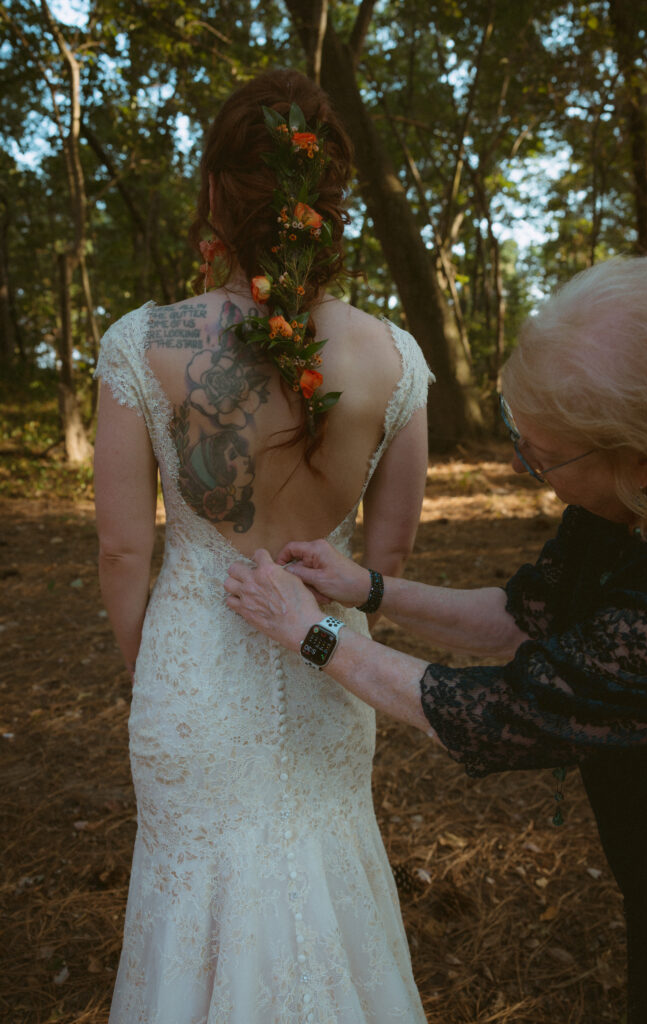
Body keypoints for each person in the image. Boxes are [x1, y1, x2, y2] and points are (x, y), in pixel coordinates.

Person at [225, 256, 647, 1024]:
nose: (517, 462)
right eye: (518, 436)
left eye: (542, 456)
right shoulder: (625, 504)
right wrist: (367, 588)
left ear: (643, 453)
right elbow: (521, 615)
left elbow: (500, 710)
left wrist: (313, 635)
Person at [94, 69, 433, 1023]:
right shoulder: (394, 356)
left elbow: (126, 555)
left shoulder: (142, 341)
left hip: (189, 676)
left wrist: (150, 662)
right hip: (327, 665)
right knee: (326, 888)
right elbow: (389, 554)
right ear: (330, 204)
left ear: (215, 195)